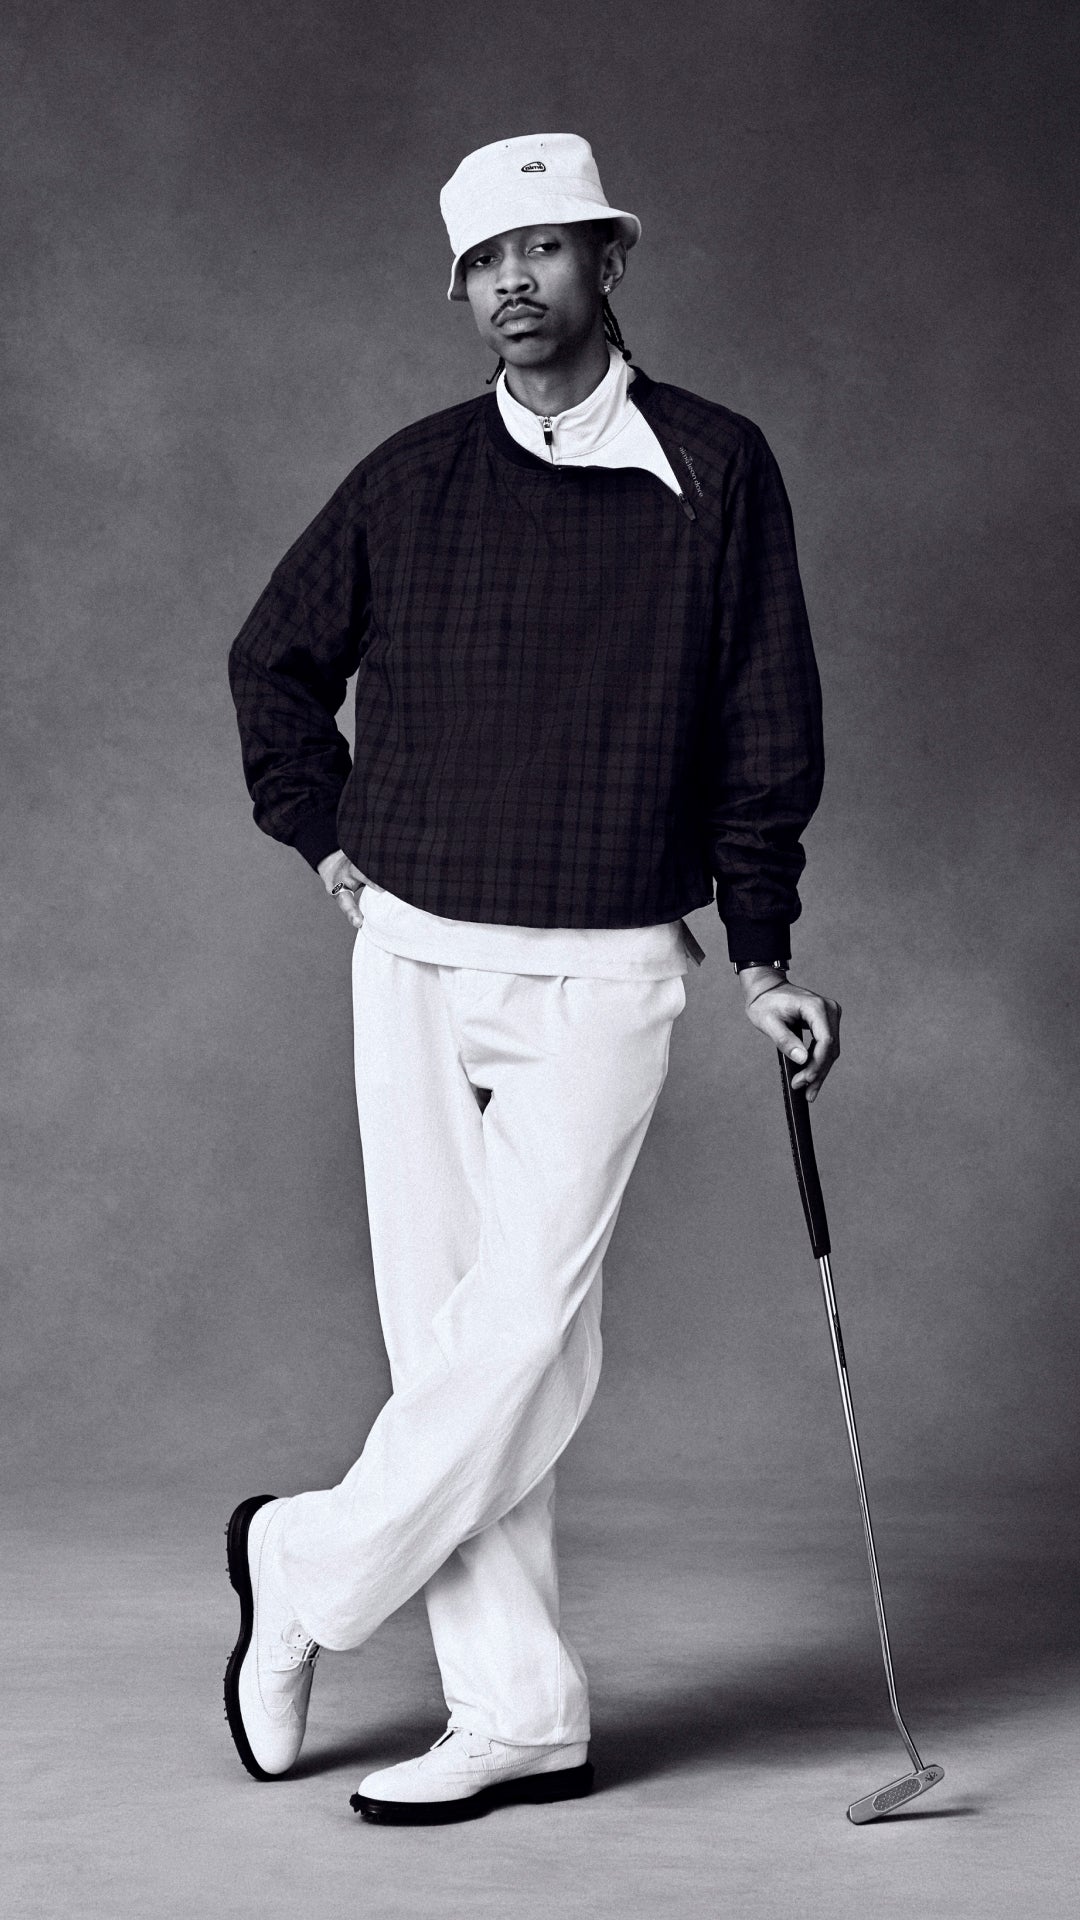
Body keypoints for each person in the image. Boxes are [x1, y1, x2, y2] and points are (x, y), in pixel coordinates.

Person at [224, 131, 840, 1825]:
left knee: (529, 1343)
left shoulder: (718, 466)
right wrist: (326, 838)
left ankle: (305, 1570)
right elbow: (271, 663)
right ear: (460, 286)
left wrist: (764, 947)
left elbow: (763, 724)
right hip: (418, 944)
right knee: (449, 1347)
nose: (514, 285)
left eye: (546, 251)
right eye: (485, 261)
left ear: (606, 262)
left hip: (612, 956)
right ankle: (517, 1710)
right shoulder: (412, 477)